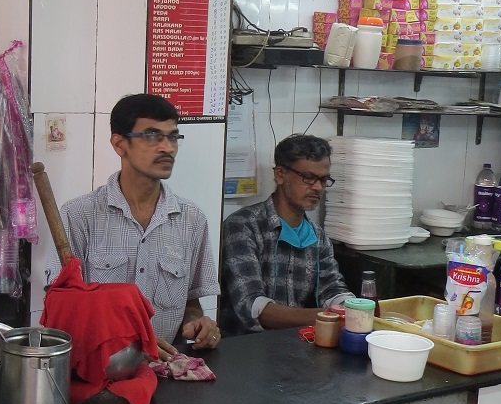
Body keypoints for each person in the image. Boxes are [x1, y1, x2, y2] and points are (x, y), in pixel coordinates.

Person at [61, 93, 220, 358]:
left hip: (166, 370)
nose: (168, 148)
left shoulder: (192, 220)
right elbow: (66, 309)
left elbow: (191, 301)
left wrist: (197, 323)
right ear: (119, 144)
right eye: (152, 136)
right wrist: (129, 344)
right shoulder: (79, 215)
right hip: (99, 370)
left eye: (173, 137)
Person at [221, 133, 350, 332]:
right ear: (280, 175)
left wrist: (352, 307)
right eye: (309, 178)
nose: (318, 188)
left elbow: (332, 288)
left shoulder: (318, 236)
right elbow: (253, 307)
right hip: (247, 344)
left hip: (297, 342)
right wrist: (329, 315)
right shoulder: (243, 226)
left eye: (324, 180)